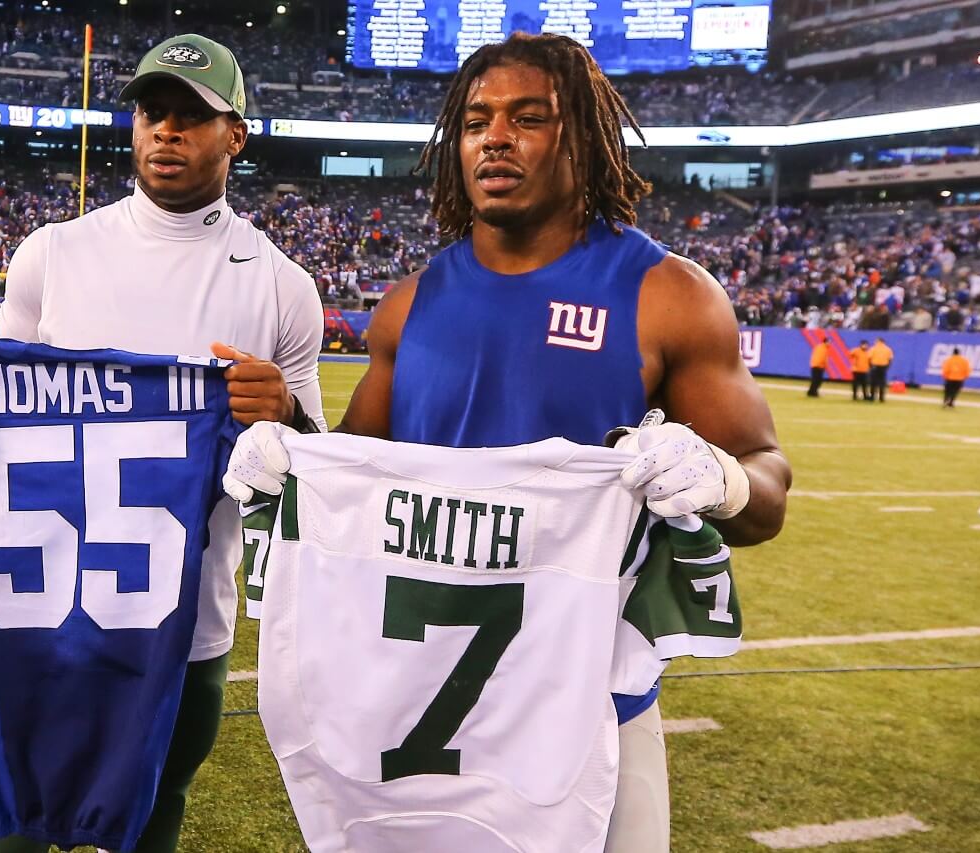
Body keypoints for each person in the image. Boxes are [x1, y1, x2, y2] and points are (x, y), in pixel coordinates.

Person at [223, 32, 790, 853]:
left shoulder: (668, 295)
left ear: (582, 138)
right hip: (411, 704)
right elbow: (351, 473)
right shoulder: (409, 303)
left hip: (589, 706)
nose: (495, 136)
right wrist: (289, 442)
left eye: (529, 117)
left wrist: (721, 480)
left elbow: (767, 490)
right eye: (477, 120)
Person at [0, 34, 325, 853]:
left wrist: (282, 414)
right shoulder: (54, 253)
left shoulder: (281, 284)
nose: (165, 132)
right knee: (5, 827)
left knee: (151, 821)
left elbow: (316, 482)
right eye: (151, 112)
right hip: (36, 611)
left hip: (182, 628)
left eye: (192, 116)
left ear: (235, 134)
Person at [868, 337, 893, 402]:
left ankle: (872, 396)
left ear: (879, 341)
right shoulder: (888, 349)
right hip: (883, 367)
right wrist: (887, 366)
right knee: (882, 383)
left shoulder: (873, 348)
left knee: (873, 382)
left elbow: (869, 358)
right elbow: (890, 359)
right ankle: (881, 398)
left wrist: (870, 366)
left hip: (874, 366)